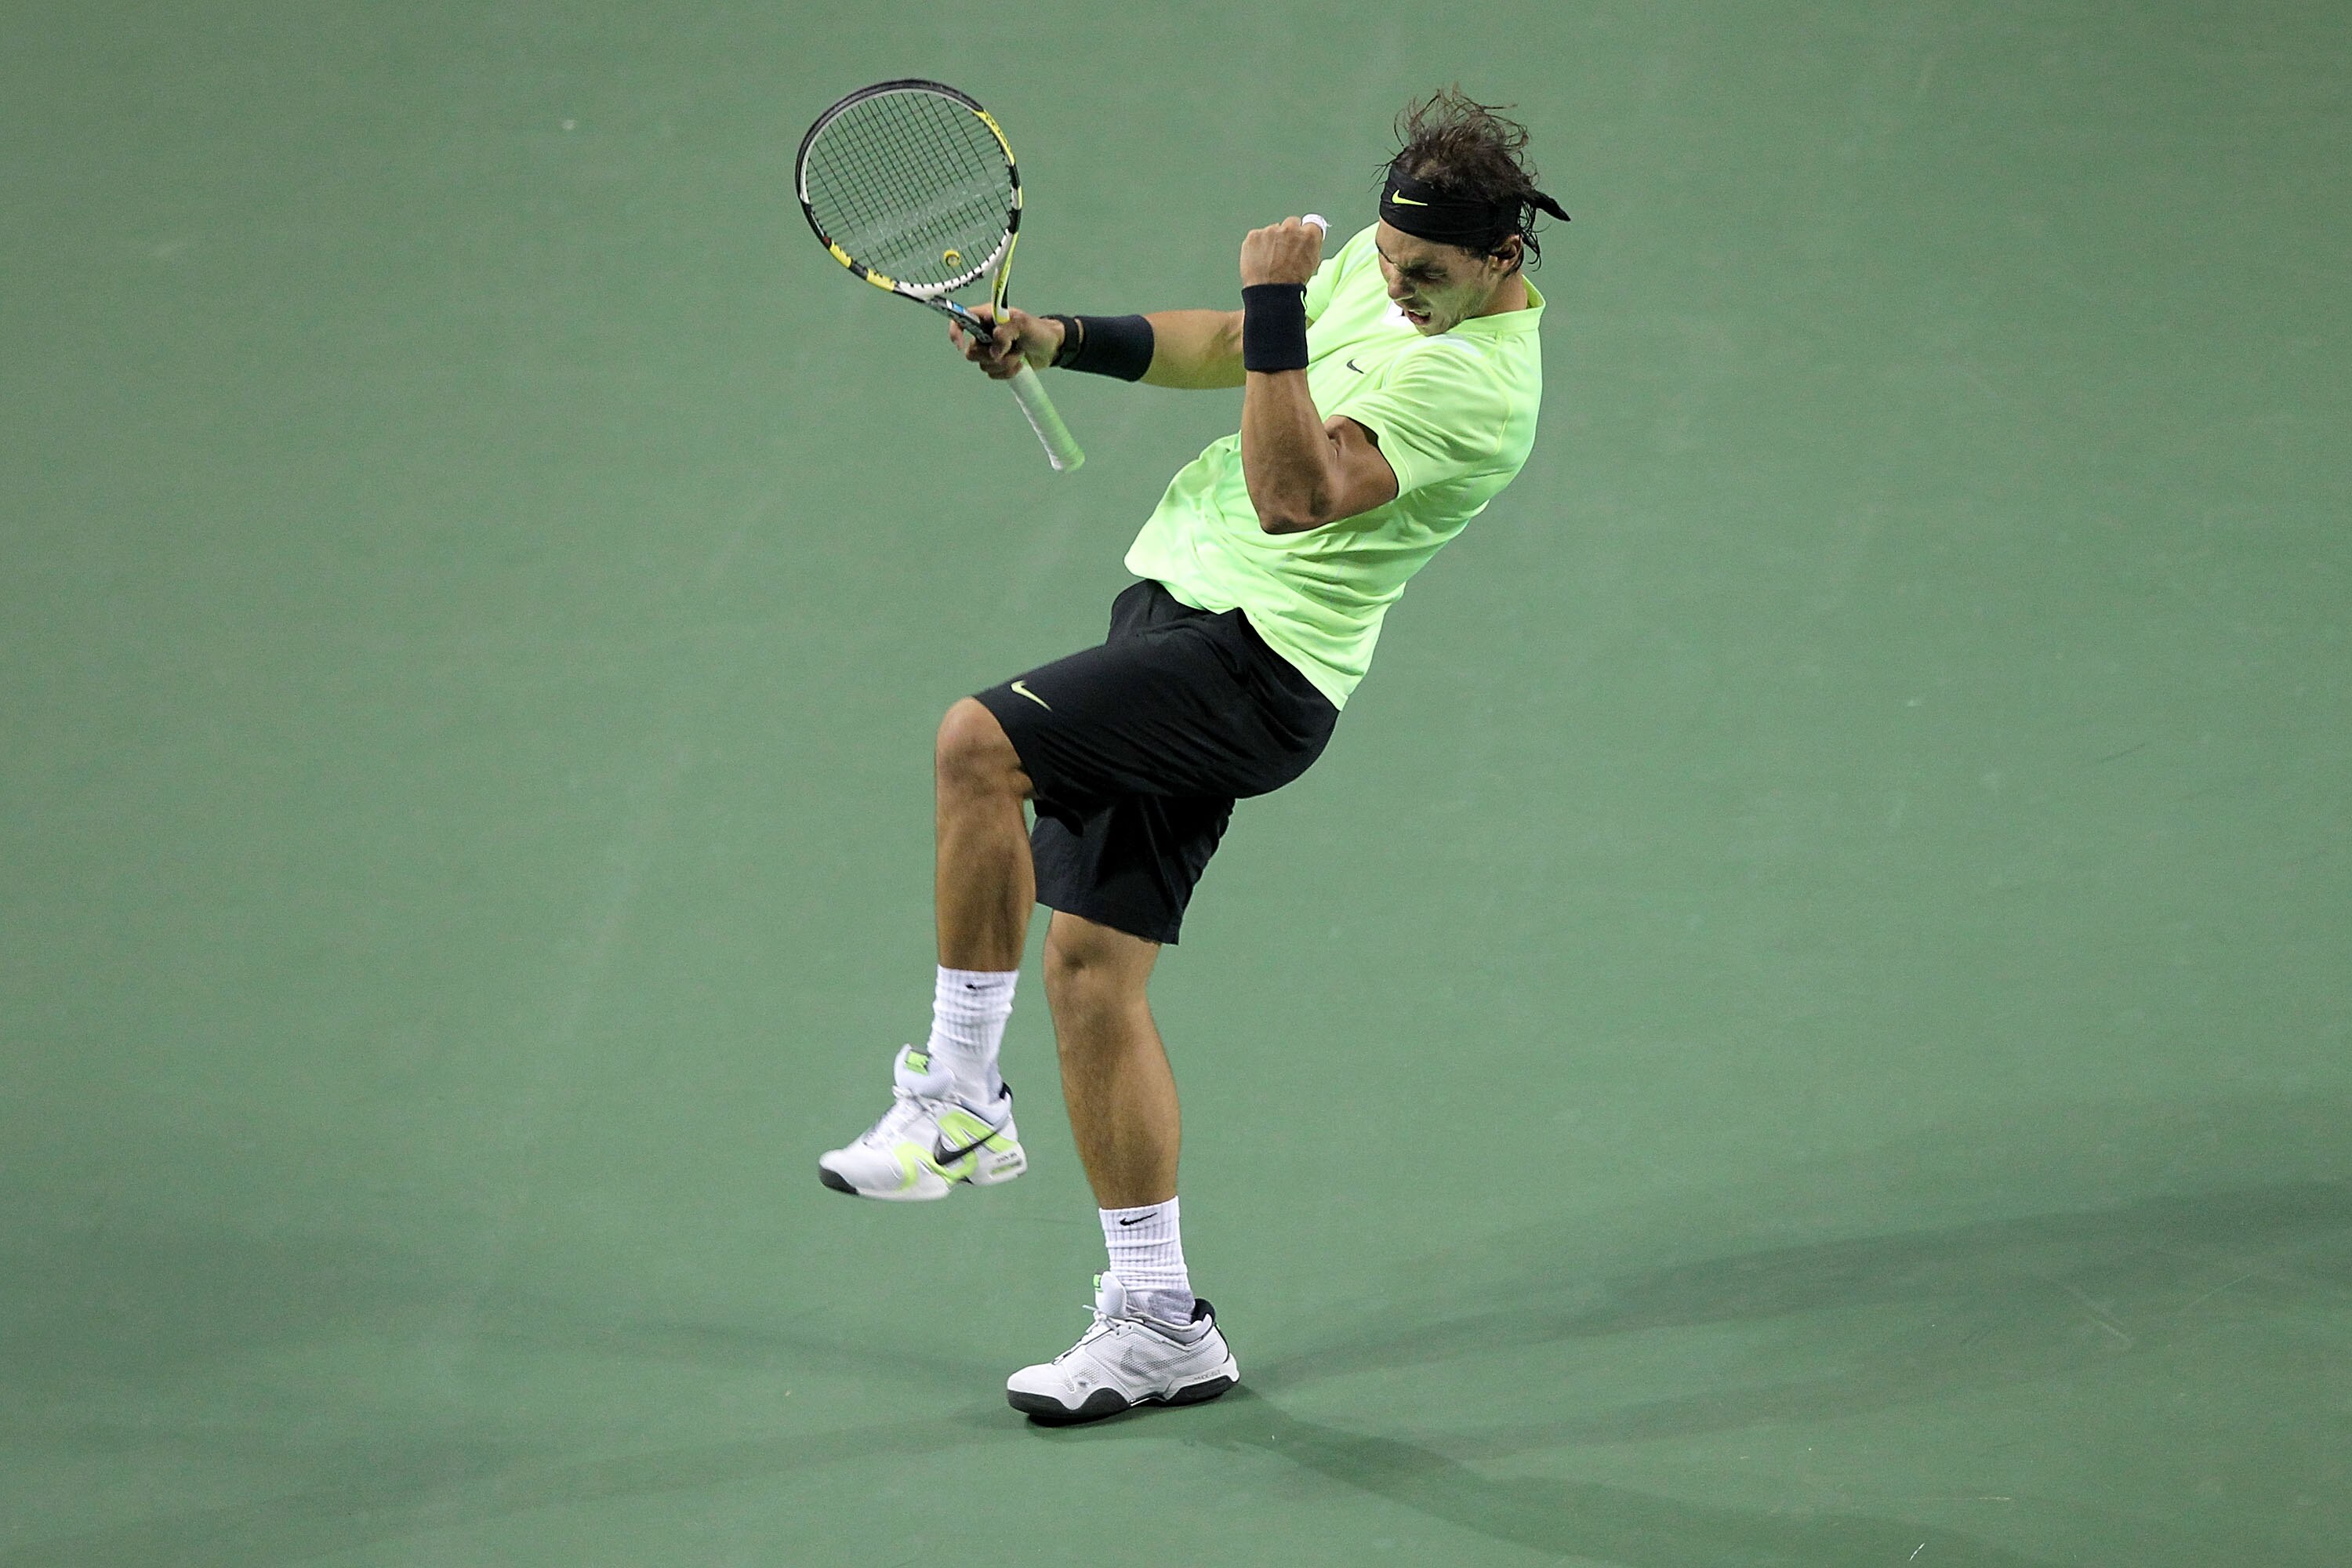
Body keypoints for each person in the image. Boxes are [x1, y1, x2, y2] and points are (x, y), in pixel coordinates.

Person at [818, 88, 1568, 1425]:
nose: (1397, 292)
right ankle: (1161, 1322)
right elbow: (1231, 345)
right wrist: (1061, 336)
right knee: (1091, 973)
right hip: (1173, 616)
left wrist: (1277, 302)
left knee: (977, 743)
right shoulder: (1391, 271)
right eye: (1388, 265)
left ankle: (955, 1096)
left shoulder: (1480, 387)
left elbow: (1293, 500)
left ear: (1504, 257)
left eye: (1429, 277)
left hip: (1254, 665)